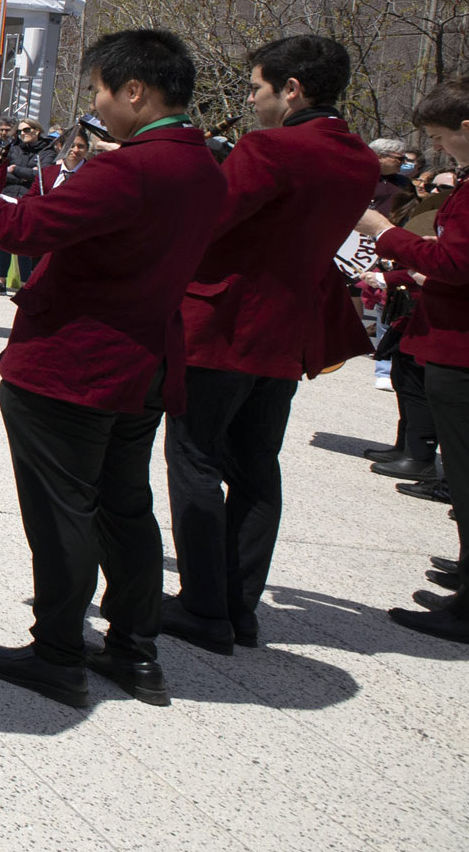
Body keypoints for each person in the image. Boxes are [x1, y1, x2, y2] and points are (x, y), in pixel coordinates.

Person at [0, 30, 226, 707]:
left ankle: (58, 652)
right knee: (126, 508)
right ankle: (134, 648)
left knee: (64, 511)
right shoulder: (202, 164)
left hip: (76, 365)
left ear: (134, 92)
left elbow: (27, 229)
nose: (95, 103)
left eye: (98, 90)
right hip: (145, 362)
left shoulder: (130, 169)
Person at [163, 36, 377, 656]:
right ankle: (238, 607)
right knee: (256, 468)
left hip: (224, 321)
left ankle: (203, 607)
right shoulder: (360, 157)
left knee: (195, 460)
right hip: (288, 330)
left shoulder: (271, 147)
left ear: (292, 90)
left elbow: (210, 222)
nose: (251, 101)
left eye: (256, 88)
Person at [364, 79, 469, 651]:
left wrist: (386, 233)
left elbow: (455, 262)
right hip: (467, 343)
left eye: (443, 139)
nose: (441, 152)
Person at [0, 119, 51, 290]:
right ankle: (1, 281)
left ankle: (25, 284)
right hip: (9, 196)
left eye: (26, 130)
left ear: (37, 130)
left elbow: (43, 176)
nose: (22, 134)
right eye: (19, 131)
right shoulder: (13, 149)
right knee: (4, 241)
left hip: (29, 200)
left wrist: (16, 170)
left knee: (24, 242)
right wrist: (28, 174)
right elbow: (3, 173)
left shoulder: (46, 151)